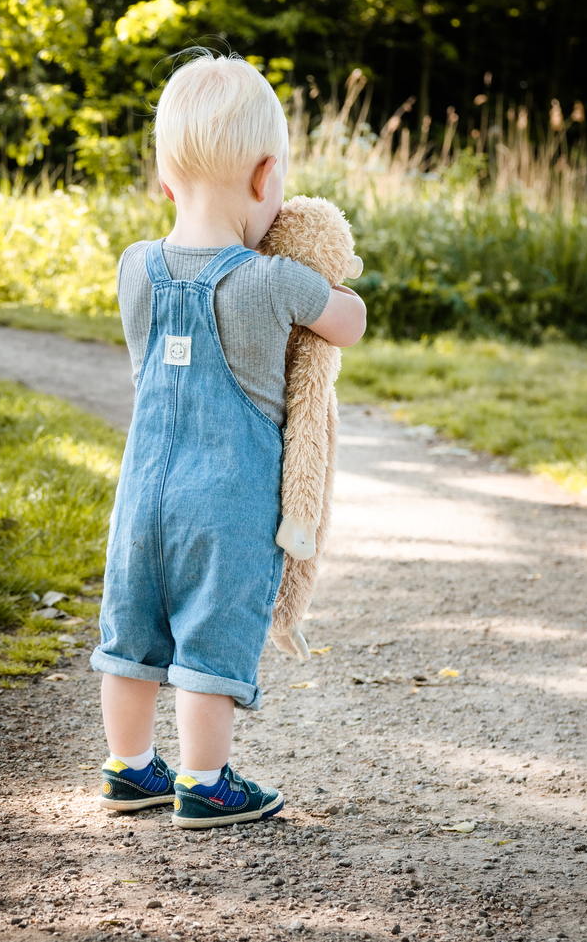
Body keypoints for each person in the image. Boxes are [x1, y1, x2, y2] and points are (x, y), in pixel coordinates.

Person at [90, 51, 366, 828]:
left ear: (163, 179)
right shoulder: (272, 281)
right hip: (229, 504)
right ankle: (205, 780)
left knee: (132, 627)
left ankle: (130, 767)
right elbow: (347, 320)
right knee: (214, 634)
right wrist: (322, 273)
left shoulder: (134, 267)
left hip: (141, 497)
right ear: (266, 177)